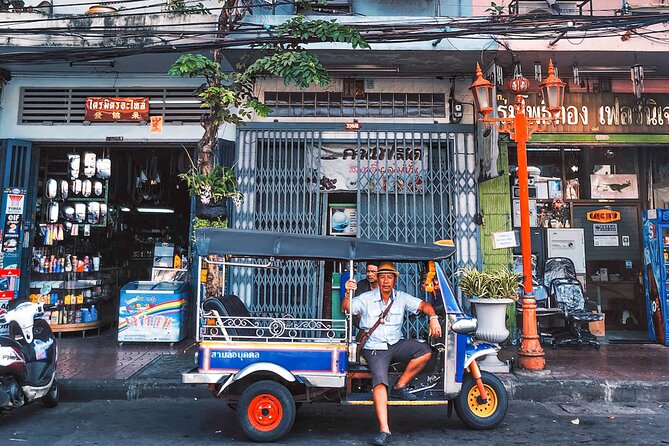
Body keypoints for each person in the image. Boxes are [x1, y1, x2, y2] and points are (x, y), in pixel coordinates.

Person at [342, 261, 441, 446]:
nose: (386, 281)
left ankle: (400, 386)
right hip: (374, 347)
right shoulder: (366, 298)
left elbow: (424, 305)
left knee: (426, 351)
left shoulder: (401, 297)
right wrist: (348, 292)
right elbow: (347, 308)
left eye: (389, 277)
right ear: (377, 280)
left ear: (395, 279)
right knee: (379, 381)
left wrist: (433, 317)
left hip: (396, 344)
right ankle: (384, 430)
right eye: (382, 277)